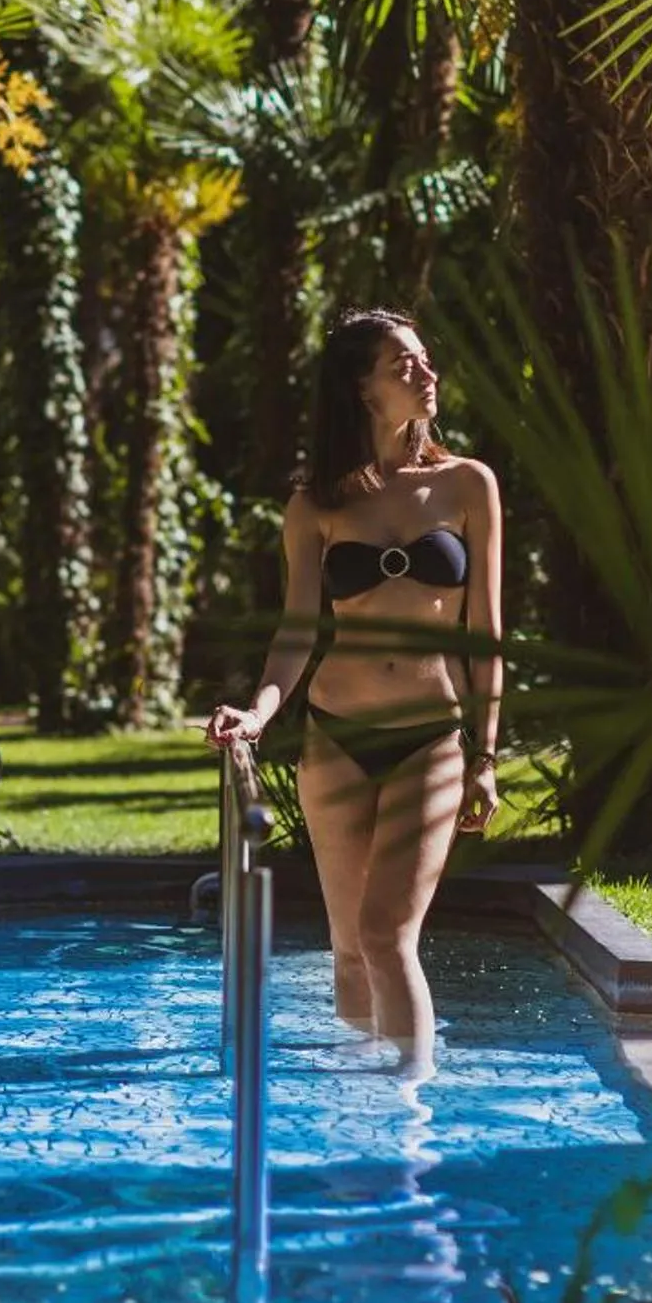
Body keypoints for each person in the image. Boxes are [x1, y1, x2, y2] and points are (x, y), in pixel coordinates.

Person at [205, 308, 503, 1078]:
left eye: (425, 358)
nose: (426, 374)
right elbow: (297, 630)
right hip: (334, 738)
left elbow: (486, 634)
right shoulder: (316, 505)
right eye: (404, 364)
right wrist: (260, 711)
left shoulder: (468, 485)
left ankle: (409, 1116)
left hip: (430, 739)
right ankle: (358, 1115)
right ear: (360, 386)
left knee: (385, 936)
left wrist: (486, 755)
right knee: (346, 953)